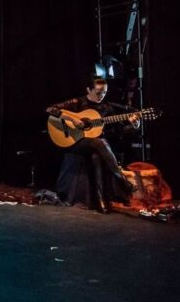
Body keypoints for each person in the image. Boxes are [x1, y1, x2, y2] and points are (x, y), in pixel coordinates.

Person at [46, 76, 140, 213]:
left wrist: (134, 126)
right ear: (88, 90)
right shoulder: (78, 102)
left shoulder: (107, 108)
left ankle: (100, 201)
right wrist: (72, 119)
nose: (102, 96)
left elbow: (118, 131)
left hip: (96, 145)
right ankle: (122, 180)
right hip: (75, 142)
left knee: (96, 155)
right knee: (99, 142)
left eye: (104, 92)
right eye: (98, 92)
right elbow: (50, 109)